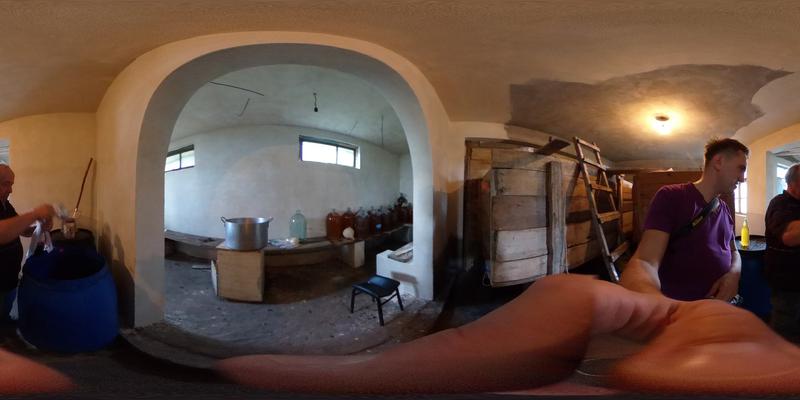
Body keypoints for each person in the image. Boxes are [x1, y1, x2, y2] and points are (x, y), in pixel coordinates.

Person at [217, 274, 800, 395]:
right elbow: (647, 262)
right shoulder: (677, 199)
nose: (743, 173)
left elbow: (646, 269)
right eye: (740, 166)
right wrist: (671, 307)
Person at [620, 138, 747, 301]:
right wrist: (659, 304)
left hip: (719, 307)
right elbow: (645, 261)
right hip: (681, 309)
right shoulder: (671, 197)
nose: (742, 178)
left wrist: (734, 273)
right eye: (741, 168)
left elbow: (734, 250)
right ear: (719, 162)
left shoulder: (725, 210)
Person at [0, 164, 56, 315]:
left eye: (11, 185)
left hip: (9, 281)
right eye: (6, 184)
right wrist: (35, 214)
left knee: (4, 317)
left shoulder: (6, 205)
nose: (11, 190)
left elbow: (21, 229)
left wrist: (39, 227)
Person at [765, 163, 800, 342]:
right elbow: (789, 236)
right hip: (787, 281)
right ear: (793, 184)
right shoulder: (779, 203)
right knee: (785, 330)